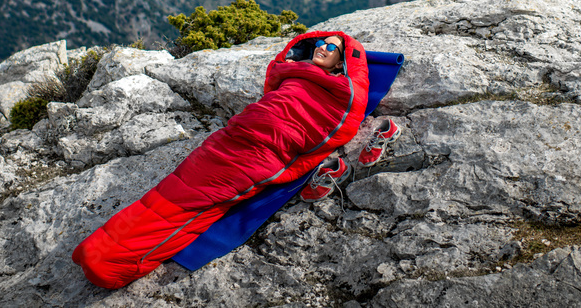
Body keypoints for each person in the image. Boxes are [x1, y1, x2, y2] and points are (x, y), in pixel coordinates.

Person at [72, 31, 369, 290]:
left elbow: (333, 129)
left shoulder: (339, 92)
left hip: (262, 151)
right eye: (320, 43)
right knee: (175, 190)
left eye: (332, 48)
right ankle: (100, 250)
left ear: (342, 62)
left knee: (192, 203)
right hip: (234, 136)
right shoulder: (294, 73)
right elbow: (273, 95)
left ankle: (109, 261)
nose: (322, 48)